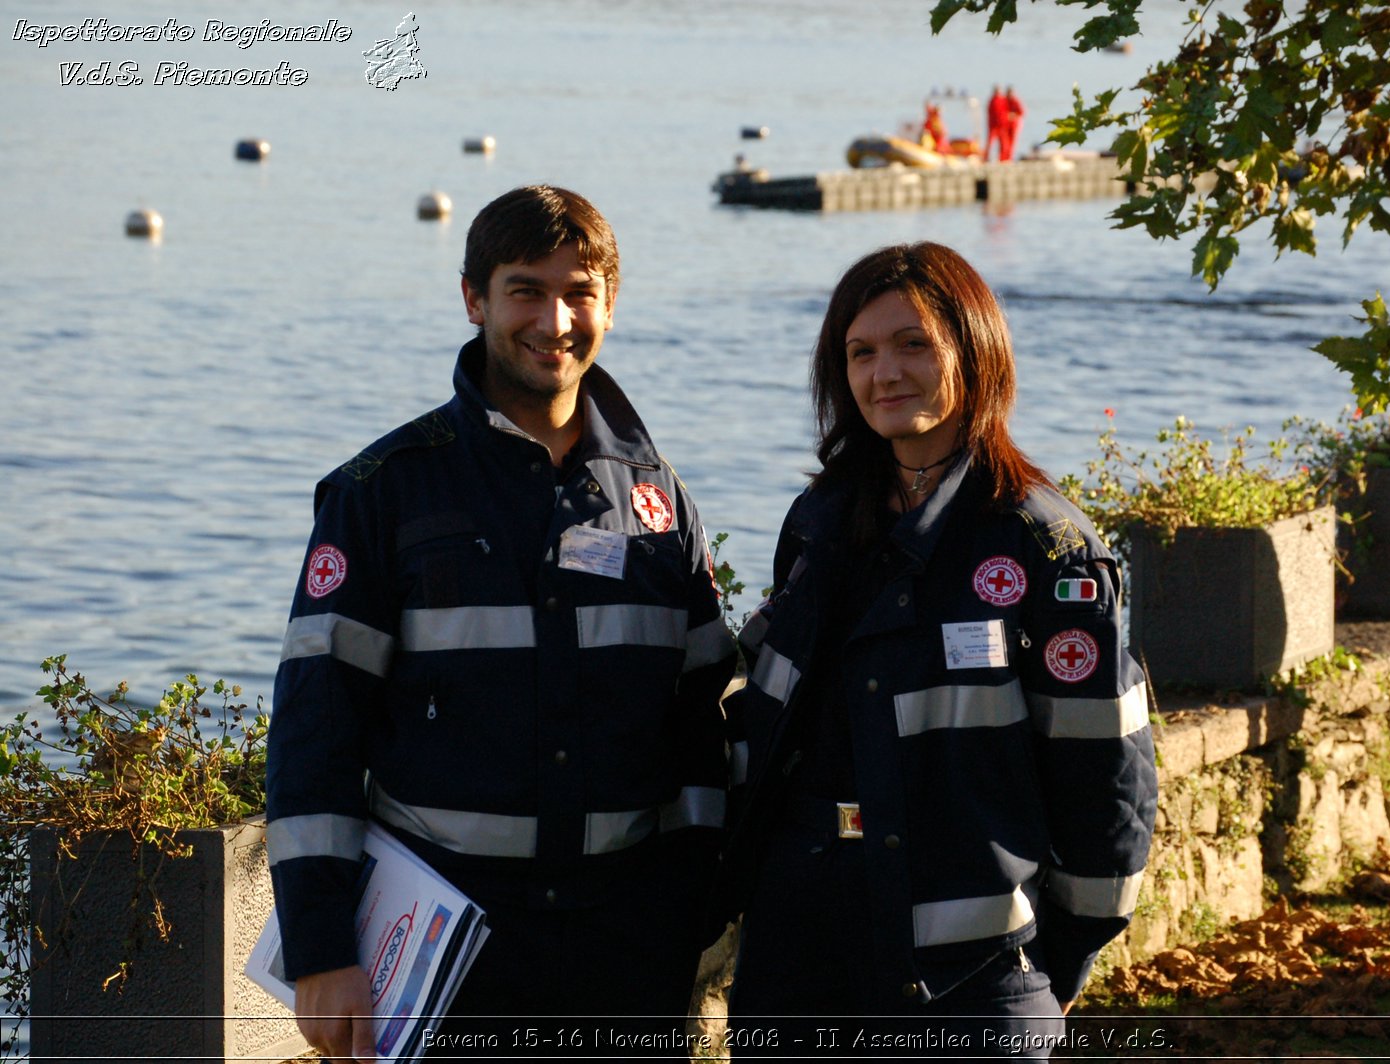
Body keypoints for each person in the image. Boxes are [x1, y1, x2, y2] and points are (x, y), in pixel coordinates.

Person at [266, 185, 735, 1060]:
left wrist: (688, 906)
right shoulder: (382, 494)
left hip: (626, 958)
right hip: (445, 958)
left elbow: (702, 725)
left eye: (579, 292)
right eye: (525, 289)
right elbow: (314, 730)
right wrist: (322, 947)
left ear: (611, 305)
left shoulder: (660, 504)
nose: (554, 319)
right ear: (474, 299)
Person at [721, 242, 1158, 1055]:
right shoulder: (818, 525)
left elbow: (1106, 781)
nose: (885, 373)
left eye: (913, 344)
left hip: (973, 975)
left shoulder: (1045, 547)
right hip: (800, 951)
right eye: (861, 352)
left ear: (975, 349)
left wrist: (1053, 967)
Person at [1001, 85, 1026, 161]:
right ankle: (1004, 157)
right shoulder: (1004, 101)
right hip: (1006, 124)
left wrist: (1013, 115)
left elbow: (1022, 112)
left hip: (1015, 124)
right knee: (1005, 141)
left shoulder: (1015, 101)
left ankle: (1009, 158)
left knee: (1012, 141)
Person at [985, 85, 1006, 162]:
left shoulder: (1002, 100)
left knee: (1003, 144)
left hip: (1001, 125)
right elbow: (991, 113)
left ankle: (1003, 158)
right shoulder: (992, 101)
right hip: (994, 125)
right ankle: (986, 158)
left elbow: (1004, 111)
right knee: (990, 143)